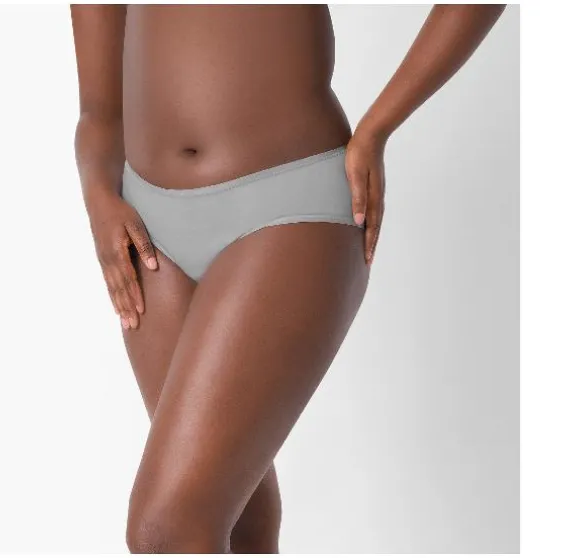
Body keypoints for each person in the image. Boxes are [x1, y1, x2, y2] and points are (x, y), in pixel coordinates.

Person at [70, 4, 505, 553]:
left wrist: (378, 127)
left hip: (288, 201)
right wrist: (98, 196)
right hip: (147, 229)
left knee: (167, 527)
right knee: (238, 524)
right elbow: (99, 111)